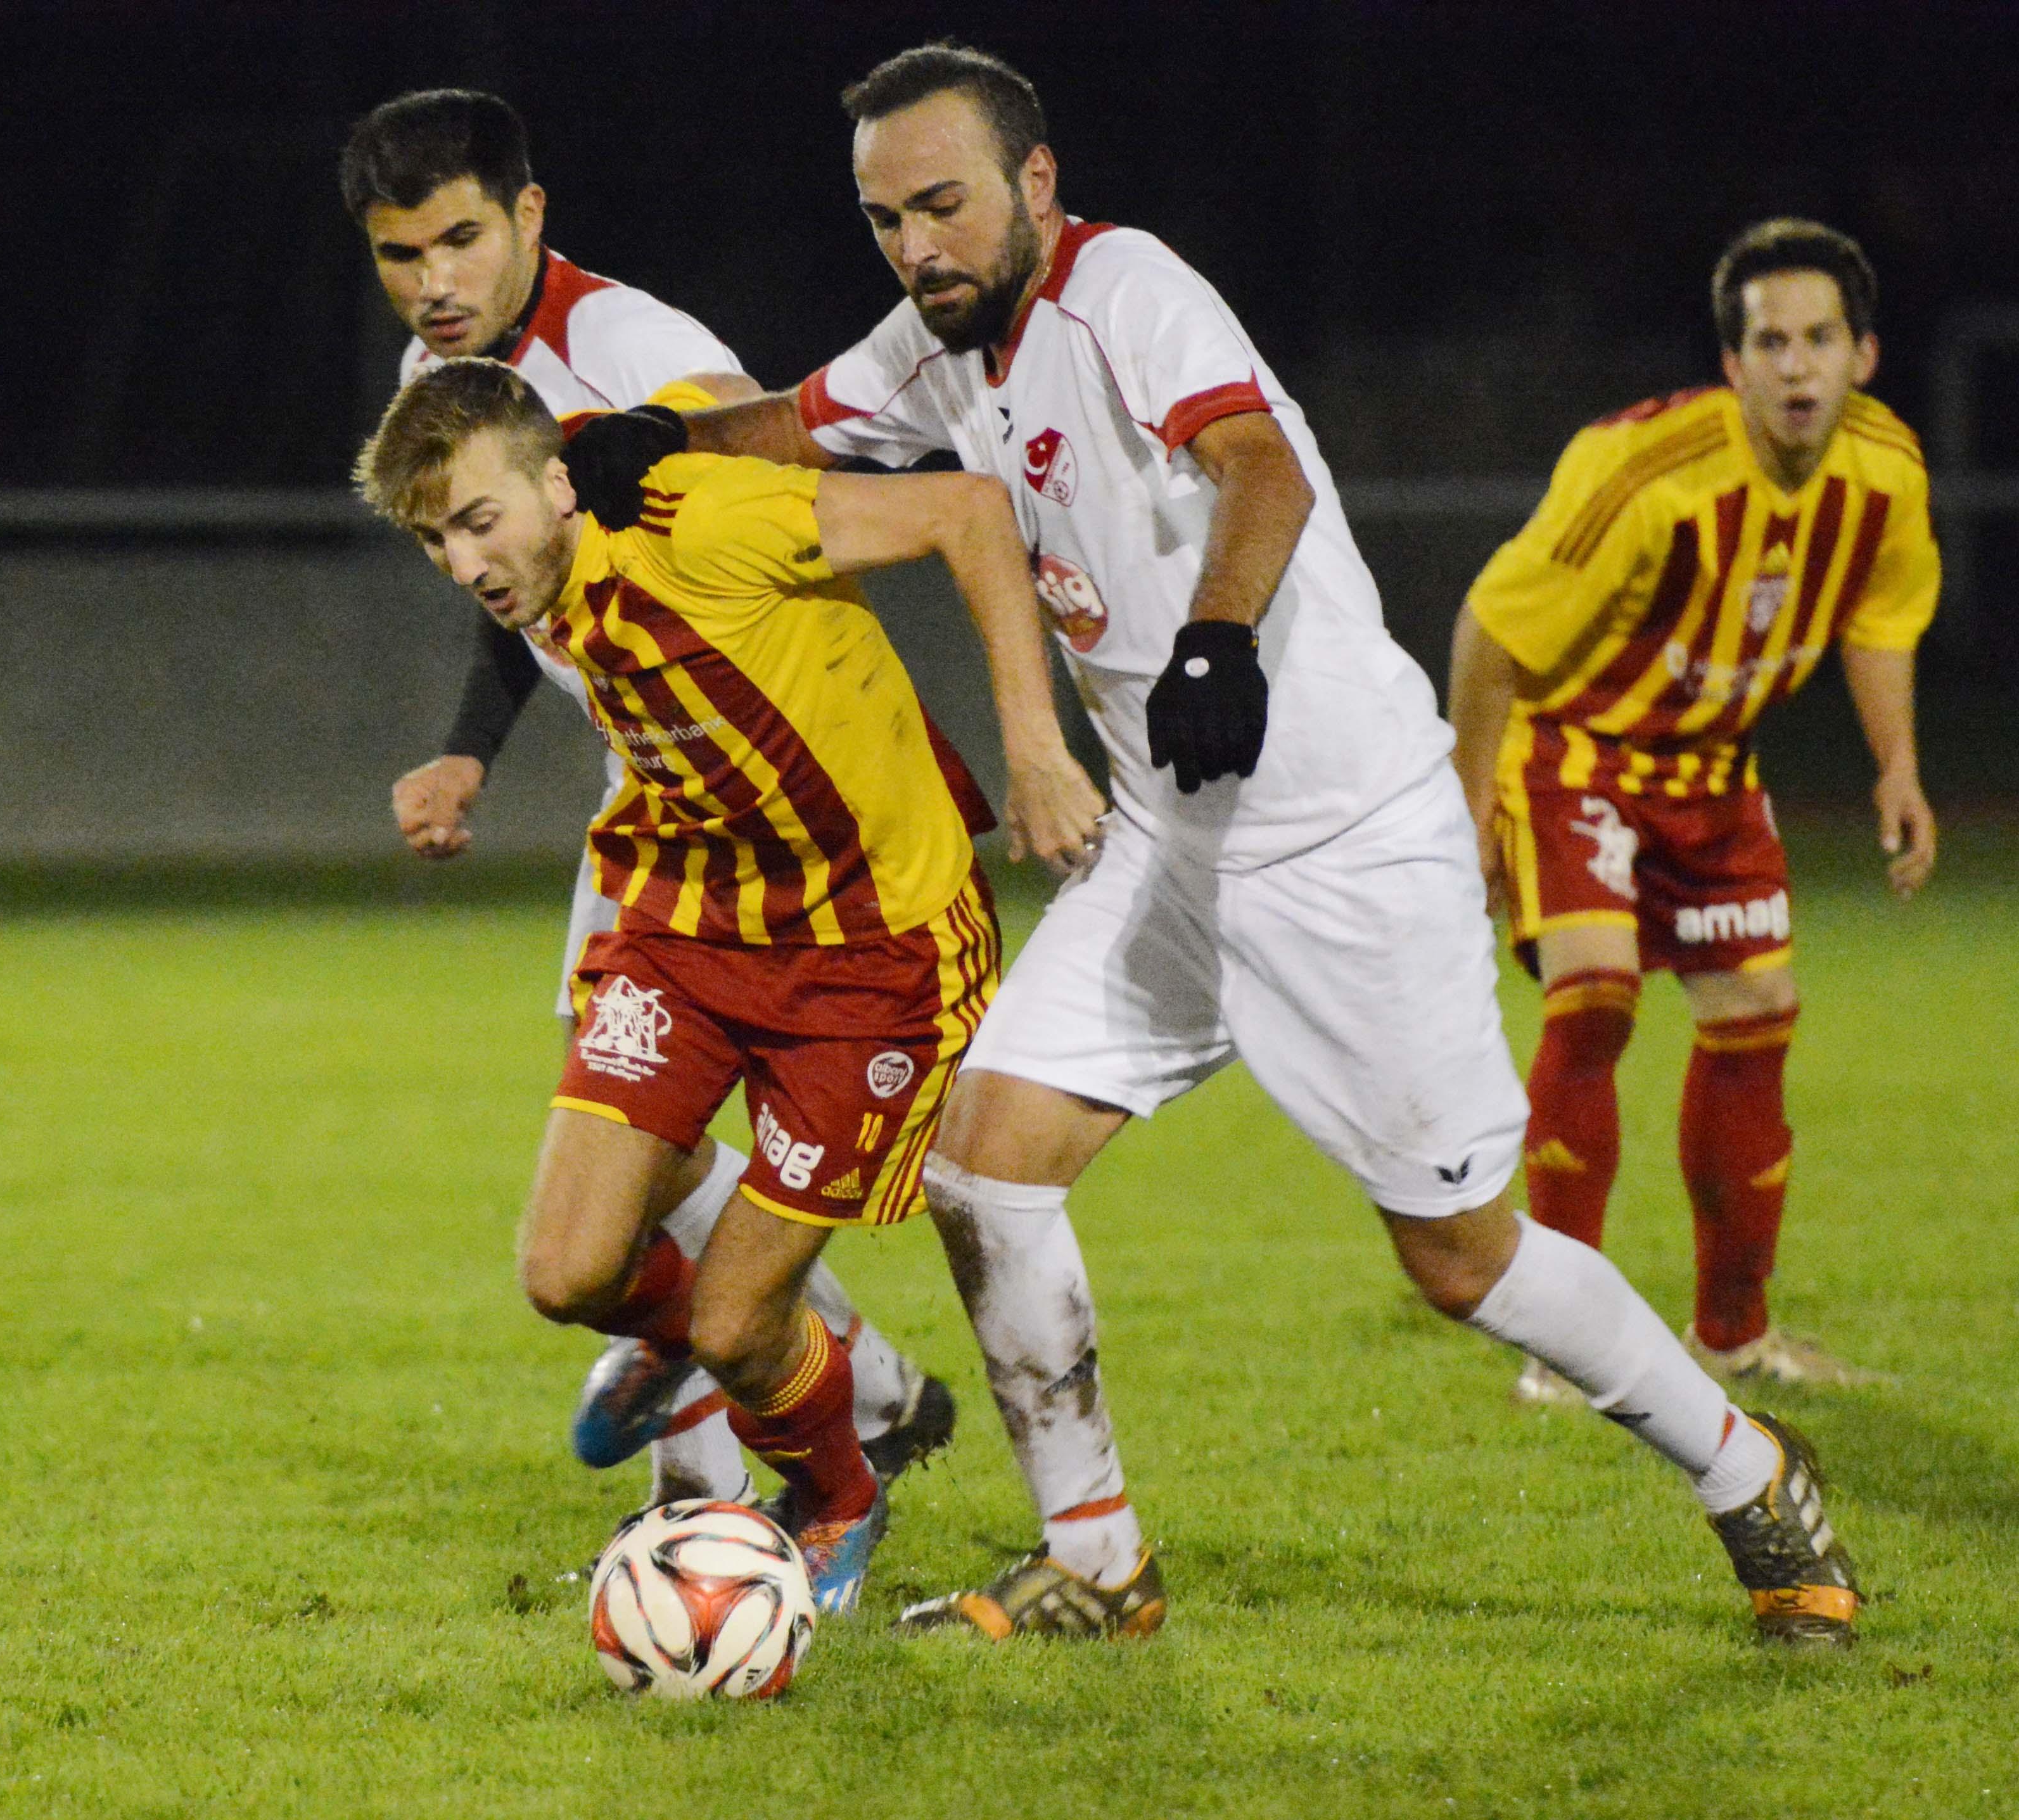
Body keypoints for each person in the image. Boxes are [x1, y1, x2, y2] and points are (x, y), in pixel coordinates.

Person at [564, 44, 1863, 1646]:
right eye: (887, 218)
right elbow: (801, 419)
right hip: (1169, 857)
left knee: (1461, 1262)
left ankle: (1749, 1476)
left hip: (1344, 846)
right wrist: (655, 446)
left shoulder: (1126, 289)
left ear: (1034, 186)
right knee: (983, 1155)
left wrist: (1216, 642)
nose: (917, 245)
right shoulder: (939, 341)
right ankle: (1097, 1563)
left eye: (944, 206)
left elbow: (1250, 460)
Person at [355, 356, 1102, 1609]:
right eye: (436, 541)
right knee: (565, 1275)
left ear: (551, 483)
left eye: (479, 525)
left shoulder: (694, 520)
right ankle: (691, 1350)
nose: (467, 565)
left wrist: (1035, 750)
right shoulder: (551, 530)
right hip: (689, 920)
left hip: (875, 953)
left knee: (738, 1328)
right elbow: (674, 400)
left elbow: (967, 511)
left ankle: (834, 1496)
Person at [338, 89, 958, 1510]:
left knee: (647, 1162)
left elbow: (768, 486)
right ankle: (817, 1398)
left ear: (529, 217)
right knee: (624, 1134)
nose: (433, 282)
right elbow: (517, 577)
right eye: (397, 254)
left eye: (459, 240)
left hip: (769, 787)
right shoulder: (434, 385)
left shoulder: (631, 347)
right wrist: (469, 749)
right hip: (654, 782)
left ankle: (776, 1417)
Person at [1451, 219, 1937, 1403]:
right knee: (1597, 994)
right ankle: (1563, 1349)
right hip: (1578, 754)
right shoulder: (1647, 475)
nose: (1797, 365)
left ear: (1864, 353)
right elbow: (1490, 635)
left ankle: (1732, 1337)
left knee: (1758, 1009)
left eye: (1821, 337)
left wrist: (1899, 768)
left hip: (1713, 773)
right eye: (1769, 341)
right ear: (1732, 365)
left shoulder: (1887, 472)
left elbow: (1878, 618)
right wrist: (1469, 820)